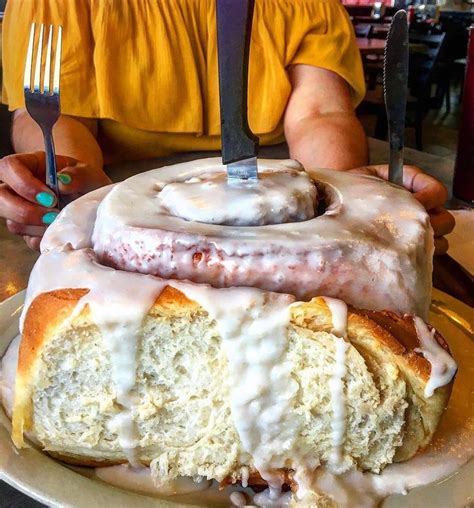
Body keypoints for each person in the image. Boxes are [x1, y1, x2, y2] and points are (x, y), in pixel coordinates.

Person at [0, 0, 454, 251]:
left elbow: (319, 113)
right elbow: (56, 116)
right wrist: (72, 187)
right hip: (124, 204)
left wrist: (340, 200)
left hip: (283, 199)